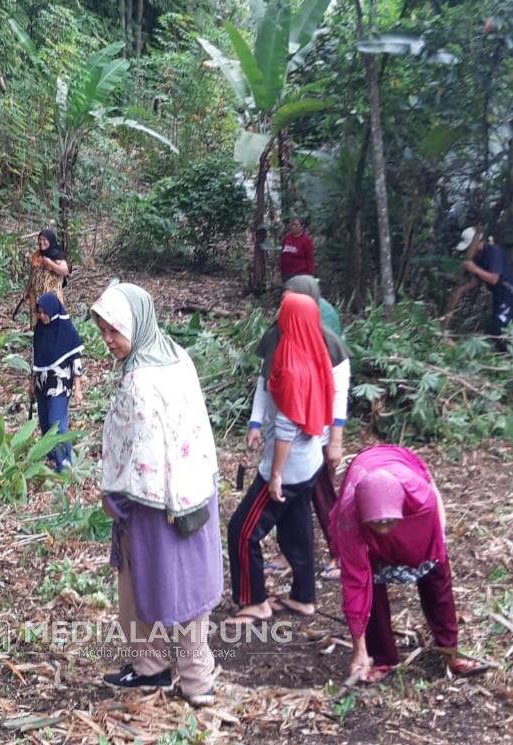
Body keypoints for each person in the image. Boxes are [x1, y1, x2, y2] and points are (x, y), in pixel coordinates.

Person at [92, 282, 222, 707]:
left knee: (156, 584)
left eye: (115, 331)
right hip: (194, 492)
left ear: (137, 324)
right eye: (103, 331)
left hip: (151, 502)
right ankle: (180, 674)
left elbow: (143, 447)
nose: (108, 341)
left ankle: (168, 671)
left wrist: (118, 499)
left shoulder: (140, 380)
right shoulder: (176, 356)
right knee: (177, 585)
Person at [330, 445, 489, 682]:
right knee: (369, 581)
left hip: (405, 490)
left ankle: (451, 653)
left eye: (388, 523)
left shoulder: (422, 500)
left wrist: (429, 548)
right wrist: (358, 651)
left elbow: (438, 538)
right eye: (377, 524)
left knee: (435, 574)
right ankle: (381, 657)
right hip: (366, 480)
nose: (383, 530)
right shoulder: (350, 517)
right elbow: (355, 584)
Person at [227, 293, 334, 624]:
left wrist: (274, 476)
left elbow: (287, 425)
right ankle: (304, 597)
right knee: (296, 528)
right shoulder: (316, 352)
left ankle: (254, 600)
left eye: (282, 311)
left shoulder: (290, 362)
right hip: (310, 463)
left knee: (242, 531)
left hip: (287, 468)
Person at [256, 275, 350, 581]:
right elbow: (265, 382)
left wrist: (335, 440)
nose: (284, 301)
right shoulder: (276, 336)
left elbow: (338, 394)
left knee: (322, 496)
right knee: (287, 501)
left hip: (315, 436)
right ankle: (288, 554)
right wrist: (256, 422)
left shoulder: (330, 344)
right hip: (281, 437)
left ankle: (341, 553)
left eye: (291, 296)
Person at [31, 292, 84, 471]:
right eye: (39, 312)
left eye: (45, 312)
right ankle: (53, 457)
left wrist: (77, 388)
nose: (42, 316)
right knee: (45, 423)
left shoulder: (66, 330)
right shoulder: (39, 331)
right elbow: (36, 359)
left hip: (60, 384)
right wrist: (31, 383)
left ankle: (65, 461)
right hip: (42, 384)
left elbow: (75, 360)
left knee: (57, 423)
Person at [457, 226, 513, 350]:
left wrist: (474, 268)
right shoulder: (478, 257)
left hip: (512, 293)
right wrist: (462, 290)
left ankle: (510, 357)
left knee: (501, 329)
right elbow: (477, 280)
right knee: (496, 328)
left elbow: (494, 279)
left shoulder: (493, 251)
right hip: (499, 296)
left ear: (477, 242)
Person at [24, 228, 70, 329]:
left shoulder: (57, 255)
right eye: (40, 239)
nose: (42, 242)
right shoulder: (37, 255)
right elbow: (32, 273)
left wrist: (49, 263)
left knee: (51, 317)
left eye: (45, 240)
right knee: (37, 318)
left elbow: (64, 271)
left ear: (51, 241)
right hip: (36, 293)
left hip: (51, 294)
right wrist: (27, 290)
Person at [280, 216, 315, 282]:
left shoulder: (306, 240)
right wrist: (281, 271)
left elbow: (310, 259)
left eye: (296, 225)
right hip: (287, 274)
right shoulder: (287, 238)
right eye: (292, 225)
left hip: (301, 275)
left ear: (302, 226)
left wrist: (310, 275)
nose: (293, 227)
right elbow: (282, 255)